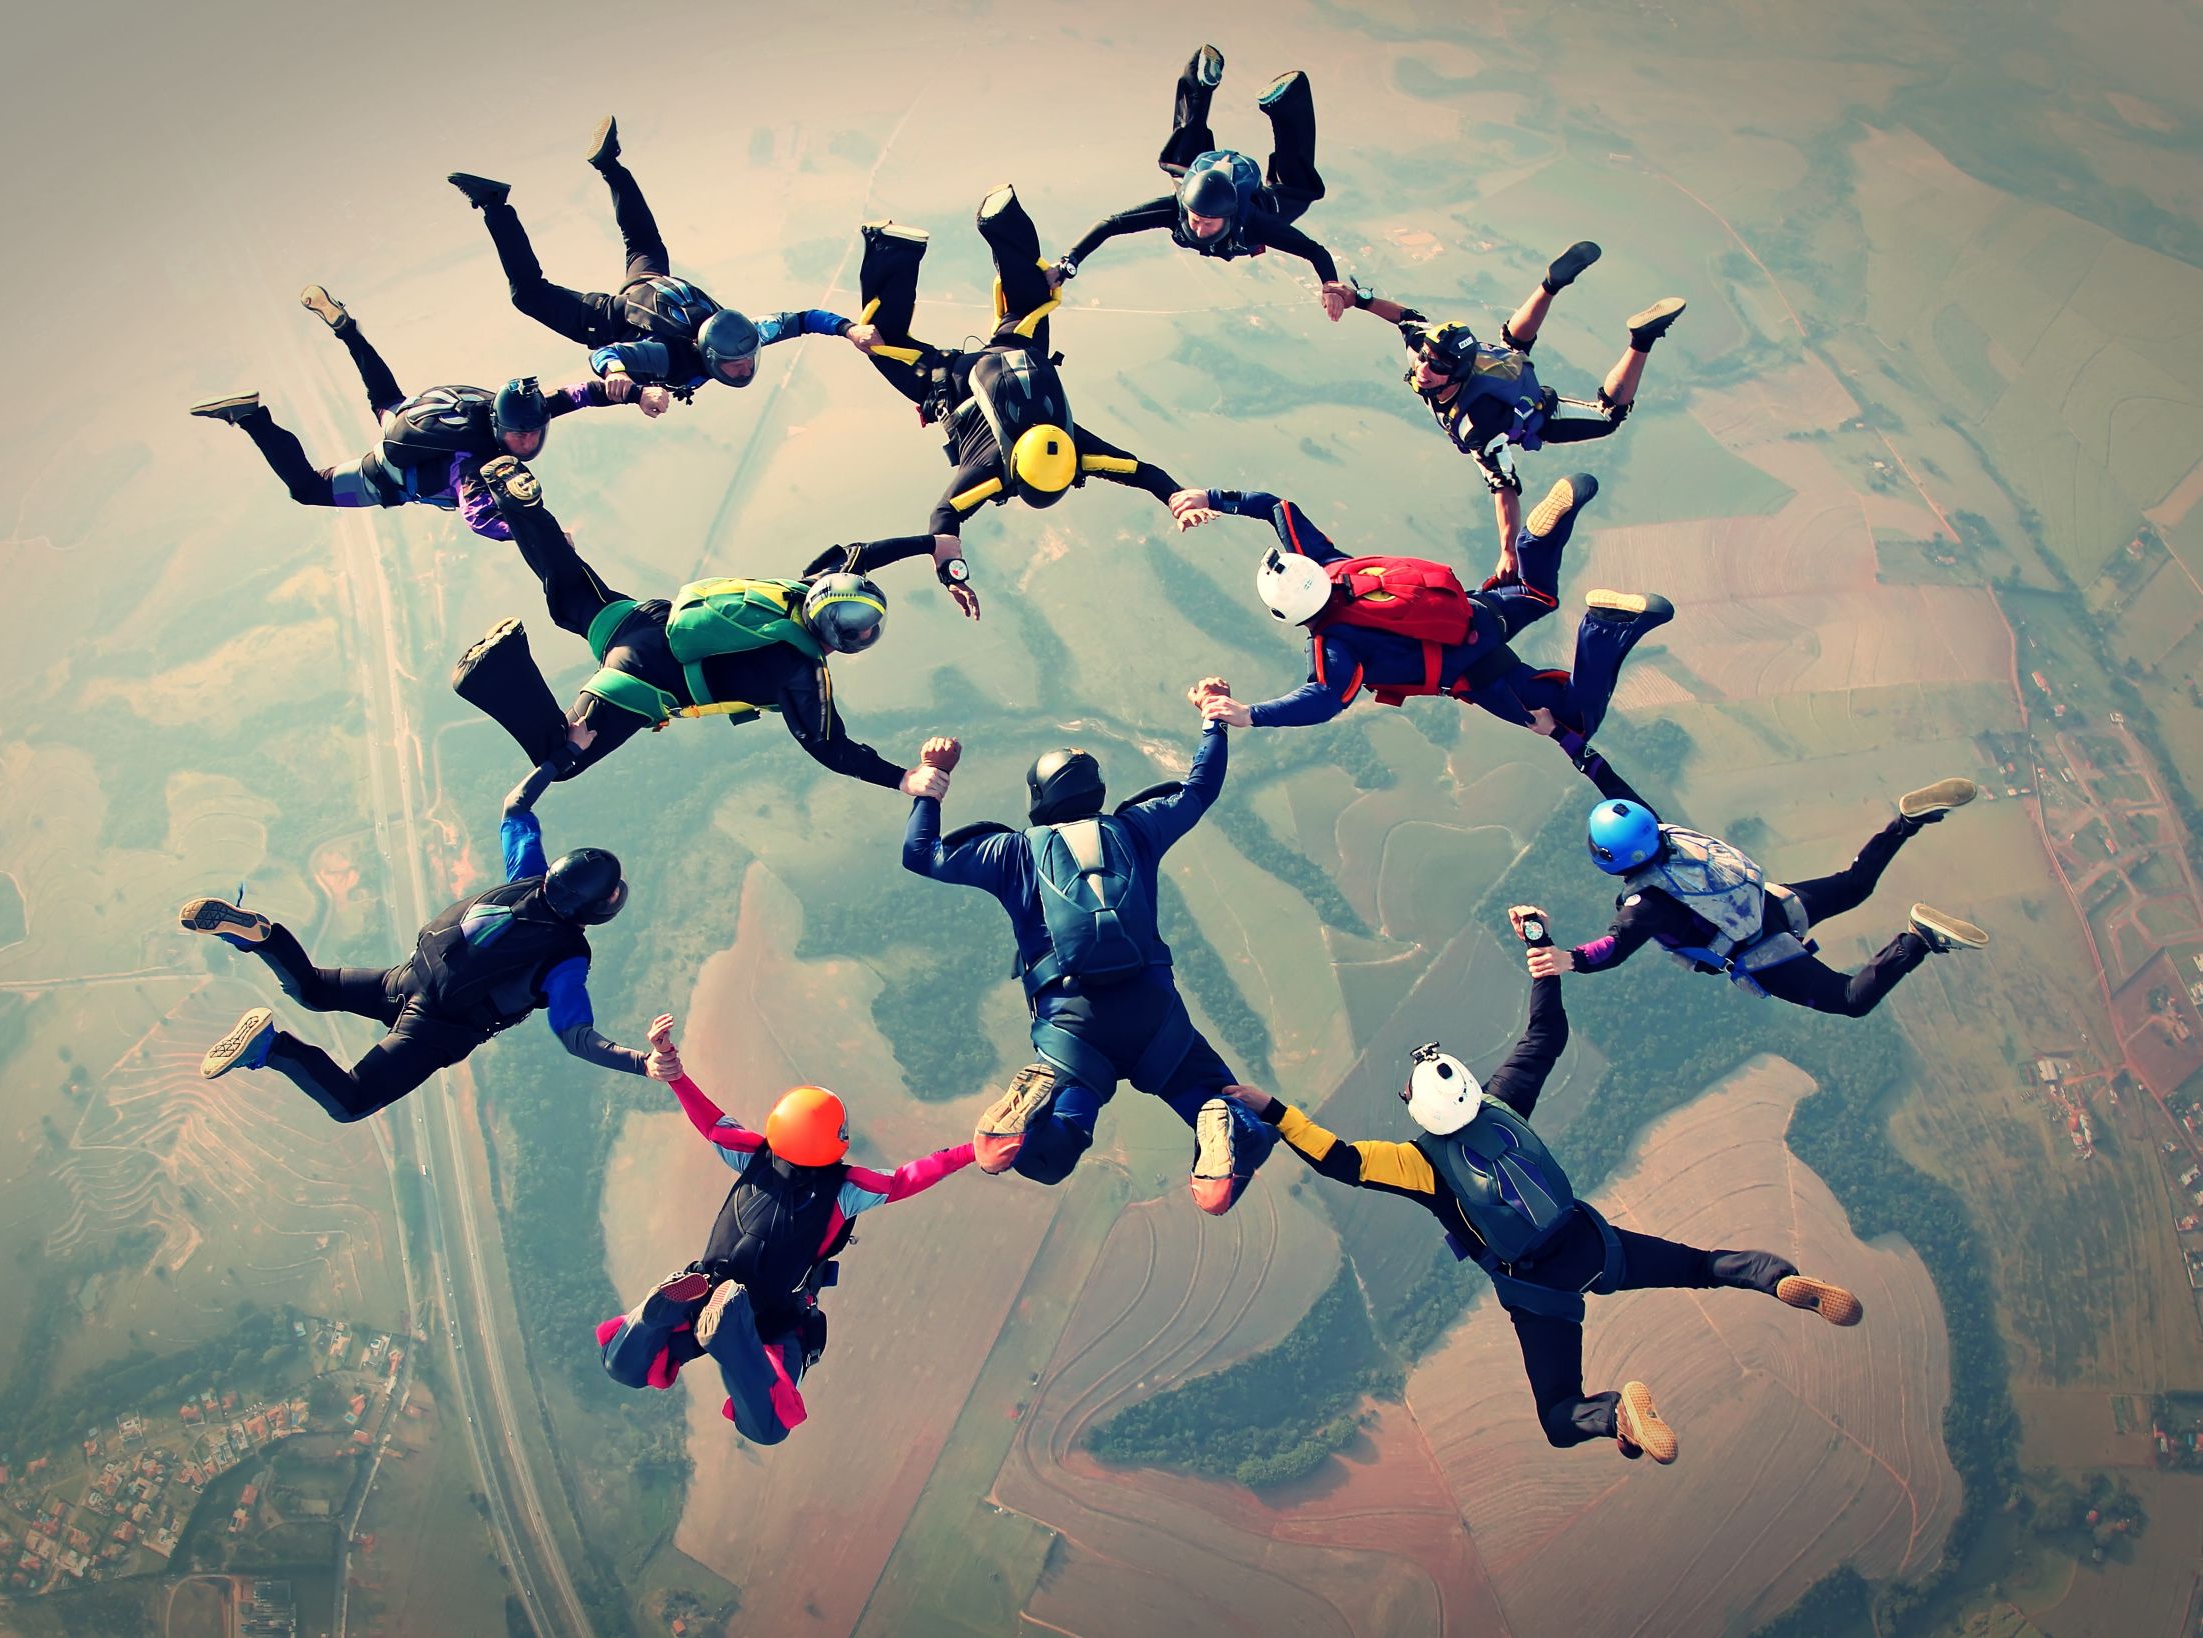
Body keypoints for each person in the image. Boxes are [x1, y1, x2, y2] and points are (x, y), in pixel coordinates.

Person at [1229, 903, 1866, 1464]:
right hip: (1593, 1245)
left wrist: (1272, 1109)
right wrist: (1539, 943)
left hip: (1536, 1289)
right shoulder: (1504, 1103)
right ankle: (1777, 1280)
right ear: (1469, 1090)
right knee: (1705, 1265)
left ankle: (1614, 1413)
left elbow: (1337, 1159)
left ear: (1419, 1111)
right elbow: (1546, 1033)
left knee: (1559, 1417)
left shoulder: (1417, 1164)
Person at [898, 710, 1275, 1216]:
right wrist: (1215, 724)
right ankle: (1213, 1120)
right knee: (1227, 1108)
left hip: (1072, 1028)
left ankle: (1025, 1118)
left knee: (1049, 1158)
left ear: (1038, 796)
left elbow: (920, 853)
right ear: (1096, 790)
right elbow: (1200, 788)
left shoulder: (1011, 853)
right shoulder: (1136, 830)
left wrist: (932, 777)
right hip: (1154, 1014)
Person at [179, 759, 649, 1122]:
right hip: (433, 1030)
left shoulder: (527, 876)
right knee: (350, 1101)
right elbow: (577, 1037)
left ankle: (261, 938)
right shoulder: (567, 958)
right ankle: (270, 1047)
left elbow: (516, 807)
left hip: (407, 979)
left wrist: (562, 754)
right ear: (595, 910)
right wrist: (643, 1064)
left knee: (314, 989)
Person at [597, 1015, 977, 1446]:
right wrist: (970, 1151)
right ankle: (734, 1336)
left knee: (622, 1366)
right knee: (769, 1425)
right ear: (836, 1139)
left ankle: (654, 1316)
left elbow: (709, 1120)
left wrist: (675, 1073)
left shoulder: (753, 1154)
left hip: (704, 1287)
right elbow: (908, 1178)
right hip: (775, 1319)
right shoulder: (845, 1189)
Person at [449, 456, 931, 790]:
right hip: (645, 680)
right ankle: (496, 669)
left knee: (570, 589)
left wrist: (932, 544)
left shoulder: (804, 587)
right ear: (839, 639)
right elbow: (832, 749)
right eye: (863, 630)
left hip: (644, 619)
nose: (867, 633)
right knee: (562, 759)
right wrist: (902, 777)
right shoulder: (800, 672)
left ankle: (519, 507)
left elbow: (859, 555)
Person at [854, 187, 1195, 615]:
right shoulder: (993, 471)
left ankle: (1003, 220)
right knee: (882, 344)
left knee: (1029, 303)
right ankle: (892, 249)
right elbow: (944, 518)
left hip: (1017, 347)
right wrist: (952, 574)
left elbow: (1139, 471)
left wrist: (1177, 496)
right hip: (945, 380)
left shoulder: (1078, 451)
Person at [1174, 477, 1670, 759]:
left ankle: (1603, 625)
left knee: (1575, 721)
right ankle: (1535, 541)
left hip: (1477, 671)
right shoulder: (1324, 561)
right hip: (1472, 611)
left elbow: (1324, 700)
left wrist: (1250, 714)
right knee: (1534, 593)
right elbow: (1276, 507)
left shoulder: (1333, 644)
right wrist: (1211, 498)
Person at [188, 285, 665, 540]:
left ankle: (346, 328)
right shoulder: (476, 464)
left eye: (532, 435)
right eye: (520, 438)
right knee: (307, 489)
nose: (526, 445)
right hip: (387, 476)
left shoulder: (519, 412)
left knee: (384, 397)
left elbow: (578, 394)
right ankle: (253, 418)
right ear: (502, 428)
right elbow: (478, 516)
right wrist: (542, 532)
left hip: (412, 425)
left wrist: (632, 393)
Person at [448, 117, 879, 396]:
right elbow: (603, 356)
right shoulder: (666, 356)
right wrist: (616, 373)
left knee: (642, 242)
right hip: (609, 316)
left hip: (655, 282)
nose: (743, 369)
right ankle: (494, 206)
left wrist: (847, 330)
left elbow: (804, 320)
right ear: (711, 357)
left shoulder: (747, 333)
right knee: (529, 295)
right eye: (735, 365)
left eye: (745, 361)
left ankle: (610, 164)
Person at [1541, 754, 1990, 1015]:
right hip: (1767, 903)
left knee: (1850, 998)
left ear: (1607, 858)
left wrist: (1569, 960)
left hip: (1757, 949)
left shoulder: (1644, 905)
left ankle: (1918, 939)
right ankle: (1906, 824)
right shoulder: (1656, 829)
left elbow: (1613, 948)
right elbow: (1614, 786)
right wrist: (1572, 745)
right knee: (1854, 885)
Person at [1345, 244, 1685, 566]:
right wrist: (1360, 300)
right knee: (1513, 345)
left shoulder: (1478, 424)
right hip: (1501, 363)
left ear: (1458, 372)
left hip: (1535, 410)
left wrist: (1508, 551)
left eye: (1437, 367)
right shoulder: (1429, 348)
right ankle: (1552, 283)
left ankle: (1642, 339)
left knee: (1609, 416)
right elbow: (1406, 317)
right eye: (1423, 359)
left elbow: (1503, 485)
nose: (1423, 369)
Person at [1050, 45, 1355, 320]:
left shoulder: (1256, 223)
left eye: (1209, 223)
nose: (1199, 228)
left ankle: (1267, 98)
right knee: (1182, 168)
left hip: (1254, 206)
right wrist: (1068, 263)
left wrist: (1329, 284)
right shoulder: (1177, 207)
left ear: (1227, 216)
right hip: (1197, 188)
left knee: (1296, 189)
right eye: (1197, 220)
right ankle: (1203, 84)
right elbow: (1111, 224)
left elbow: (1313, 250)